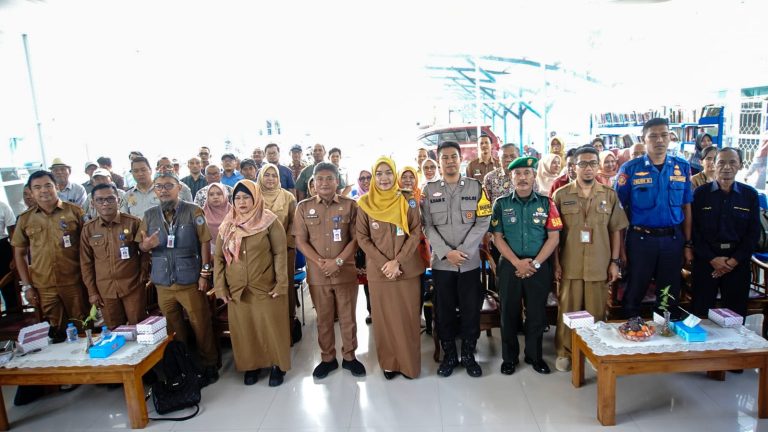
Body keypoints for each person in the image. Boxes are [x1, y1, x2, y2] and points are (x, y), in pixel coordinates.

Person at [136, 172, 219, 385]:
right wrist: (145, 246)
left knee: (200, 324)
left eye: (168, 186)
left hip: (189, 278)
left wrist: (204, 273)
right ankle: (185, 365)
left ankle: (210, 363)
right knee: (173, 328)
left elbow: (205, 241)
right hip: (163, 281)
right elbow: (141, 245)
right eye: (159, 187)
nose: (163, 190)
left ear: (178, 188)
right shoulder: (149, 215)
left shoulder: (193, 211)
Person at [551, 147, 628, 372]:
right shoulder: (561, 195)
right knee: (568, 310)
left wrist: (614, 262)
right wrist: (556, 263)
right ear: (574, 167)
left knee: (596, 311)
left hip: (599, 262)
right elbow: (553, 234)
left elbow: (616, 230)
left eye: (593, 163)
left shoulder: (609, 194)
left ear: (598, 166)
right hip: (570, 262)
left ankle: (594, 351)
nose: (588, 168)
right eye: (583, 164)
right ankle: (565, 352)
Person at [421, 141, 490, 378]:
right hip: (442, 264)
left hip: (469, 263)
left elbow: (483, 220)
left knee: (471, 309)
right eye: (445, 157)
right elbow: (427, 226)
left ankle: (469, 354)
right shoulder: (429, 190)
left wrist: (463, 250)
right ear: (439, 162)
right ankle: (450, 355)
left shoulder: (476, 187)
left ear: (461, 159)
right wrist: (446, 252)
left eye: (454, 157)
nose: (450, 161)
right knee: (444, 311)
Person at [214, 180, 290, 386]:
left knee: (271, 327)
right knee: (245, 329)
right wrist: (220, 286)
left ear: (255, 198)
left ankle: (277, 365)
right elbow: (219, 258)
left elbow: (280, 253)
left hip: (265, 286)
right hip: (237, 289)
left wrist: (281, 283)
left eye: (246, 197)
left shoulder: (269, 221)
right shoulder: (227, 225)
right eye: (237, 198)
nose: (242, 202)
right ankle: (251, 366)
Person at [490, 156, 562, 376]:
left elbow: (554, 238)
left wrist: (535, 264)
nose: (522, 178)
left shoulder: (546, 203)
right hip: (510, 266)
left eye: (527, 173)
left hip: (538, 266)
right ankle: (509, 358)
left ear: (534, 176)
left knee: (536, 314)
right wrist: (516, 263)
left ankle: (534, 356)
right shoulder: (501, 204)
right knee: (508, 314)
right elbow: (497, 238)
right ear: (511, 177)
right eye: (518, 173)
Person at [616, 118, 693, 319]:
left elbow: (686, 206)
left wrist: (687, 244)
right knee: (634, 291)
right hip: (641, 240)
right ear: (644, 139)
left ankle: (665, 331)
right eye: (653, 136)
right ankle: (631, 330)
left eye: (664, 135)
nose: (659, 140)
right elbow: (619, 212)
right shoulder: (630, 169)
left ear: (670, 138)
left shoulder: (682, 167)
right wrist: (621, 249)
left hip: (672, 241)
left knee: (668, 294)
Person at [294, 162, 365, 378]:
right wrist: (321, 262)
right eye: (320, 179)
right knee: (323, 319)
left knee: (348, 318)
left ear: (337, 182)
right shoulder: (303, 207)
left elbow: (357, 239)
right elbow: (300, 241)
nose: (324, 183)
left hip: (345, 272)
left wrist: (338, 261)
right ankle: (328, 359)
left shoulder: (350, 205)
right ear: (313, 183)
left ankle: (350, 357)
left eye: (329, 178)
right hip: (318, 274)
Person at [356, 157, 424, 379]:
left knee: (408, 319)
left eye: (388, 173)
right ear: (373, 177)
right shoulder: (364, 203)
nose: (383, 178)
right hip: (380, 272)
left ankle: (409, 365)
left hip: (407, 270)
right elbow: (362, 237)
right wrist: (385, 263)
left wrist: (398, 261)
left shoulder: (407, 200)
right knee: (384, 320)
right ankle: (390, 363)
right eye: (379, 173)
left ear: (394, 175)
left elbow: (415, 232)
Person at [12, 170, 89, 334]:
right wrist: (27, 286)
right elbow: (20, 253)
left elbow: (88, 248)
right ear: (31, 192)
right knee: (57, 331)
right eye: (37, 187)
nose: (43, 190)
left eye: (48, 185)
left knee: (84, 327)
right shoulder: (25, 219)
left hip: (75, 282)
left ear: (57, 187)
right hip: (44, 286)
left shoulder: (75, 212)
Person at [692, 147, 760, 320]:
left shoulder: (750, 195)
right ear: (714, 165)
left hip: (737, 263)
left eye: (732, 162)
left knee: (735, 317)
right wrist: (712, 259)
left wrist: (732, 261)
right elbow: (694, 231)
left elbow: (753, 234)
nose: (727, 167)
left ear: (740, 165)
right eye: (721, 162)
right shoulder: (700, 194)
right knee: (700, 315)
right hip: (707, 262)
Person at [80, 183, 148, 327]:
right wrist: (92, 292)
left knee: (140, 327)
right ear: (93, 203)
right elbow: (86, 263)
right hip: (105, 290)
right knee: (114, 330)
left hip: (132, 286)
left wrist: (143, 274)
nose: (105, 203)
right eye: (100, 200)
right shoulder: (88, 229)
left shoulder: (133, 223)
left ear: (119, 200)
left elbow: (145, 252)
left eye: (110, 199)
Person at [256, 164, 300, 341]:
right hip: (259, 252)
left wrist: (284, 246)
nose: (271, 179)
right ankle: (268, 331)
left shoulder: (288, 197)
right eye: (267, 175)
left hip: (285, 250)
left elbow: (294, 223)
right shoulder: (254, 196)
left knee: (284, 286)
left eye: (274, 175)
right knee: (264, 287)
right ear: (261, 177)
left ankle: (288, 327)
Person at [352, 169, 372, 323]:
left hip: (382, 244)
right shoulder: (355, 202)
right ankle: (371, 311)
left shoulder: (382, 198)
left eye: (368, 177)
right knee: (367, 281)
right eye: (362, 178)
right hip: (363, 246)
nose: (365, 181)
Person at [0, 200, 17, 311]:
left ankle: (14, 314)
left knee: (8, 286)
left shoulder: (2, 206)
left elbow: (13, 233)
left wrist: (15, 257)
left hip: (2, 248)